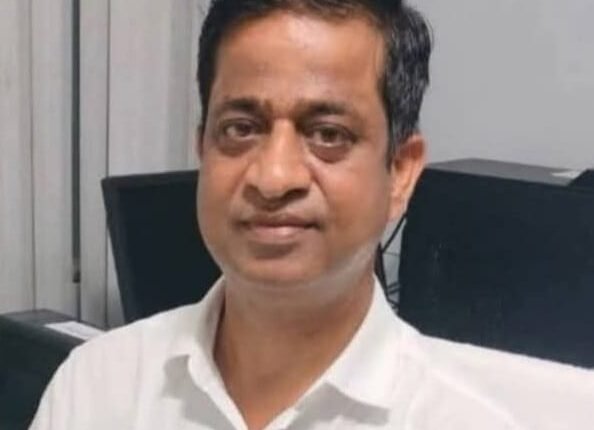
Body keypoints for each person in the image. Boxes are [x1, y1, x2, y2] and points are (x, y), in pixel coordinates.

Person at [31, 0, 594, 429]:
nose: (273, 177)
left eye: (328, 134)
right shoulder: (97, 387)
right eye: (241, 128)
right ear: (202, 149)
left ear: (400, 171)